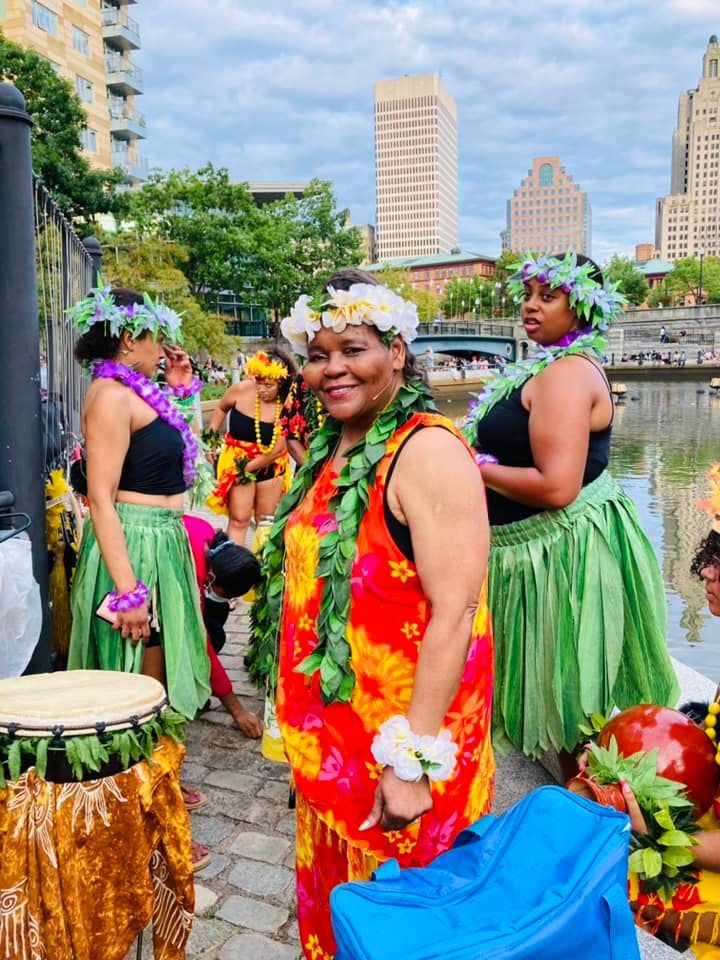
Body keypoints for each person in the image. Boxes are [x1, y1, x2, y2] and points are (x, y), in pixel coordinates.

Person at [251, 268, 494, 960]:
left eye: (353, 348)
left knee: (404, 930)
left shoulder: (427, 451)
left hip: (402, 756)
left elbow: (457, 612)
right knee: (338, 926)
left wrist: (412, 763)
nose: (332, 369)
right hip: (333, 754)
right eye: (319, 353)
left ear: (396, 351)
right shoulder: (335, 445)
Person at [466, 252, 679, 765]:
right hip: (533, 546)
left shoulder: (564, 374)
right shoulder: (546, 365)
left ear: (581, 307)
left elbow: (557, 486)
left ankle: (587, 812)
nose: (530, 306)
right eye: (527, 295)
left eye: (548, 296)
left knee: (568, 696)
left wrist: (469, 465)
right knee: (554, 694)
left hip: (559, 551)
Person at [67, 286, 211, 722]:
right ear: (129, 337)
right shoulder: (111, 395)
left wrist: (182, 391)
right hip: (134, 540)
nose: (162, 350)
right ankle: (134, 781)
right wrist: (129, 591)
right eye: (156, 337)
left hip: (164, 538)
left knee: (160, 665)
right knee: (135, 673)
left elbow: (179, 453)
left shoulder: (140, 392)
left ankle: (156, 773)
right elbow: (100, 499)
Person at [182, 514, 262, 737]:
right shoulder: (195, 573)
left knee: (216, 620)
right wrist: (238, 712)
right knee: (211, 634)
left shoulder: (212, 538)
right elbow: (202, 645)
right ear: (211, 577)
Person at [207, 349, 293, 544]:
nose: (261, 389)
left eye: (268, 385)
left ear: (280, 383)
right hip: (238, 458)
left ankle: (263, 569)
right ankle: (233, 567)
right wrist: (211, 440)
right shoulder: (241, 389)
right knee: (239, 519)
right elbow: (221, 408)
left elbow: (278, 449)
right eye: (259, 382)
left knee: (266, 522)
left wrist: (245, 469)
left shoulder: (287, 403)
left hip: (271, 464)